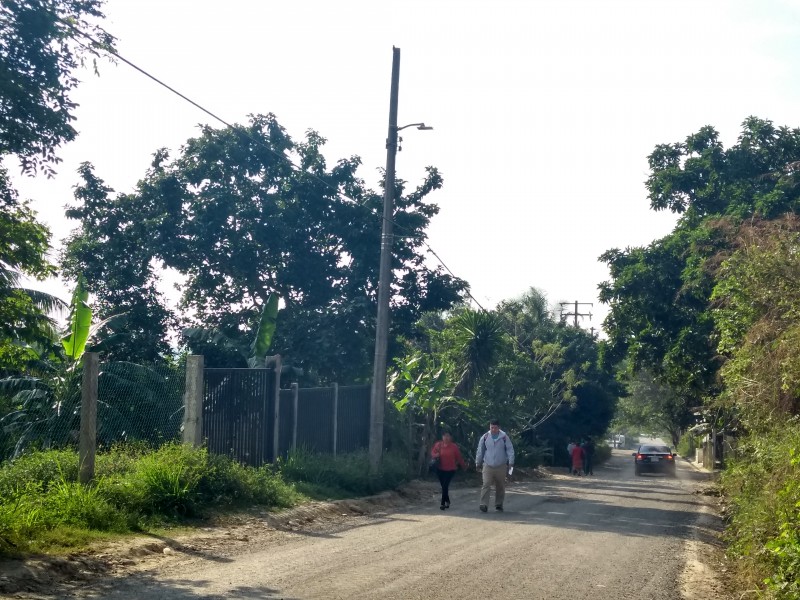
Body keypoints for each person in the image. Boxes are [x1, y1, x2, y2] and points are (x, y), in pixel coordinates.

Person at [476, 419, 515, 512]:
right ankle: (483, 504)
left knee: (500, 485)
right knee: (486, 484)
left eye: (495, 427)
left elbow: (510, 450)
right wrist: (478, 462)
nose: (493, 429)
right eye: (491, 427)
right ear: (489, 427)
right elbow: (480, 450)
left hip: (501, 465)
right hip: (488, 465)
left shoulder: (504, 437)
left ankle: (499, 504)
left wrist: (511, 463)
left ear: (499, 428)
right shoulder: (485, 437)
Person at [430, 431, 467, 510]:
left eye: (448, 436)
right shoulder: (438, 445)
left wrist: (463, 466)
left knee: (445, 485)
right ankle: (447, 500)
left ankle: (442, 503)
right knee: (443, 486)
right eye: (444, 436)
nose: (446, 438)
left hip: (451, 469)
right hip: (440, 469)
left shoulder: (454, 447)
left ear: (451, 437)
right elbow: (432, 452)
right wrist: (435, 455)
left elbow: (459, 457)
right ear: (442, 437)